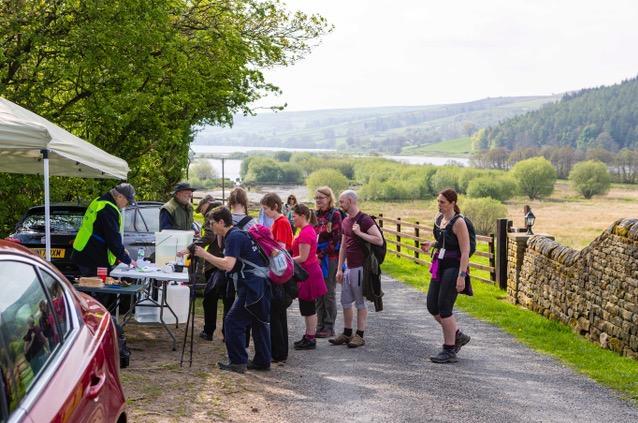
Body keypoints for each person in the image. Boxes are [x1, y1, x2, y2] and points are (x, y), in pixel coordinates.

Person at [194, 207, 271, 373]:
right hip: (260, 284)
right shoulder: (238, 233)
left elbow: (228, 265)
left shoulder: (234, 237)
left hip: (252, 287)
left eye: (212, 223)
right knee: (259, 322)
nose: (211, 227)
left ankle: (237, 362)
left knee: (232, 322)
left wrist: (204, 254)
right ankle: (262, 361)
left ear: (222, 222)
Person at [420, 188, 471, 363]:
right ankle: (457, 335)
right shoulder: (439, 219)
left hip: (454, 267)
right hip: (439, 265)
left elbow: (465, 251)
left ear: (452, 203)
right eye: (438, 201)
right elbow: (445, 241)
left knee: (444, 307)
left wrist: (462, 275)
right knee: (432, 306)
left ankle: (449, 350)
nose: (439, 205)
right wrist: (432, 244)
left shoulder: (459, 222)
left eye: (442, 202)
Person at [329, 190, 383, 348]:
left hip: (361, 267)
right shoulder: (346, 220)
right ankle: (347, 333)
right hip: (348, 268)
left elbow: (378, 240)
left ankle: (360, 335)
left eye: (342, 201)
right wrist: (339, 268)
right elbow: (343, 246)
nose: (340, 204)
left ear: (351, 201)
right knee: (345, 301)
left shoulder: (365, 220)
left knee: (359, 302)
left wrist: (360, 233)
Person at [71, 183, 136, 276]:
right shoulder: (108, 208)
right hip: (92, 257)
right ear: (120, 197)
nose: (127, 205)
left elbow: (101, 232)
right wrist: (128, 260)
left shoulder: (98, 201)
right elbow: (112, 239)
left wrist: (122, 251)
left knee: (89, 287)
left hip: (83, 252)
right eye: (127, 201)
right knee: (97, 288)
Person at [260, 192, 293, 362]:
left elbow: (279, 249)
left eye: (266, 209)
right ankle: (278, 351)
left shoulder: (281, 222)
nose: (264, 212)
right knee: (277, 314)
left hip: (279, 272)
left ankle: (279, 352)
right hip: (278, 271)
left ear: (274, 206)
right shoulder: (278, 222)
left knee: (277, 313)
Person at [292, 204, 327, 350]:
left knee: (308, 306)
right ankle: (308, 335)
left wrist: (284, 260)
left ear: (302, 216)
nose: (292, 219)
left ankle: (311, 338)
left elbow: (303, 257)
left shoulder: (306, 232)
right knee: (307, 306)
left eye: (294, 216)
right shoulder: (306, 230)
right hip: (308, 272)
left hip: (308, 274)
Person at [313, 187, 342, 338]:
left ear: (329, 198)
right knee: (318, 292)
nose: (318, 200)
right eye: (316, 197)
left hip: (329, 258)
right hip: (316, 256)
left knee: (328, 292)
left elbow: (335, 238)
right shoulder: (315, 214)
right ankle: (319, 325)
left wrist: (321, 254)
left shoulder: (335, 214)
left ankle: (329, 326)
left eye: (321, 197)